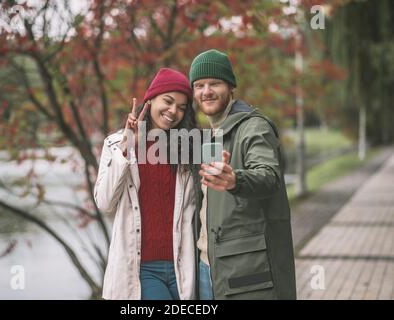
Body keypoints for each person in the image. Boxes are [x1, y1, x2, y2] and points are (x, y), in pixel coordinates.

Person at [189, 49, 297, 299]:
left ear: (230, 87)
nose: (206, 91)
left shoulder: (254, 127)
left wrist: (236, 180)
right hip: (207, 267)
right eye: (199, 85)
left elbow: (268, 176)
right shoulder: (212, 136)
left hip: (247, 271)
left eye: (214, 83)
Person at [94, 68, 198, 300]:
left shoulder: (189, 150)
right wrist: (127, 147)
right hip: (143, 270)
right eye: (168, 102)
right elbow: (104, 202)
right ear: (150, 100)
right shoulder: (114, 144)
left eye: (182, 107)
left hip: (184, 265)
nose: (174, 112)